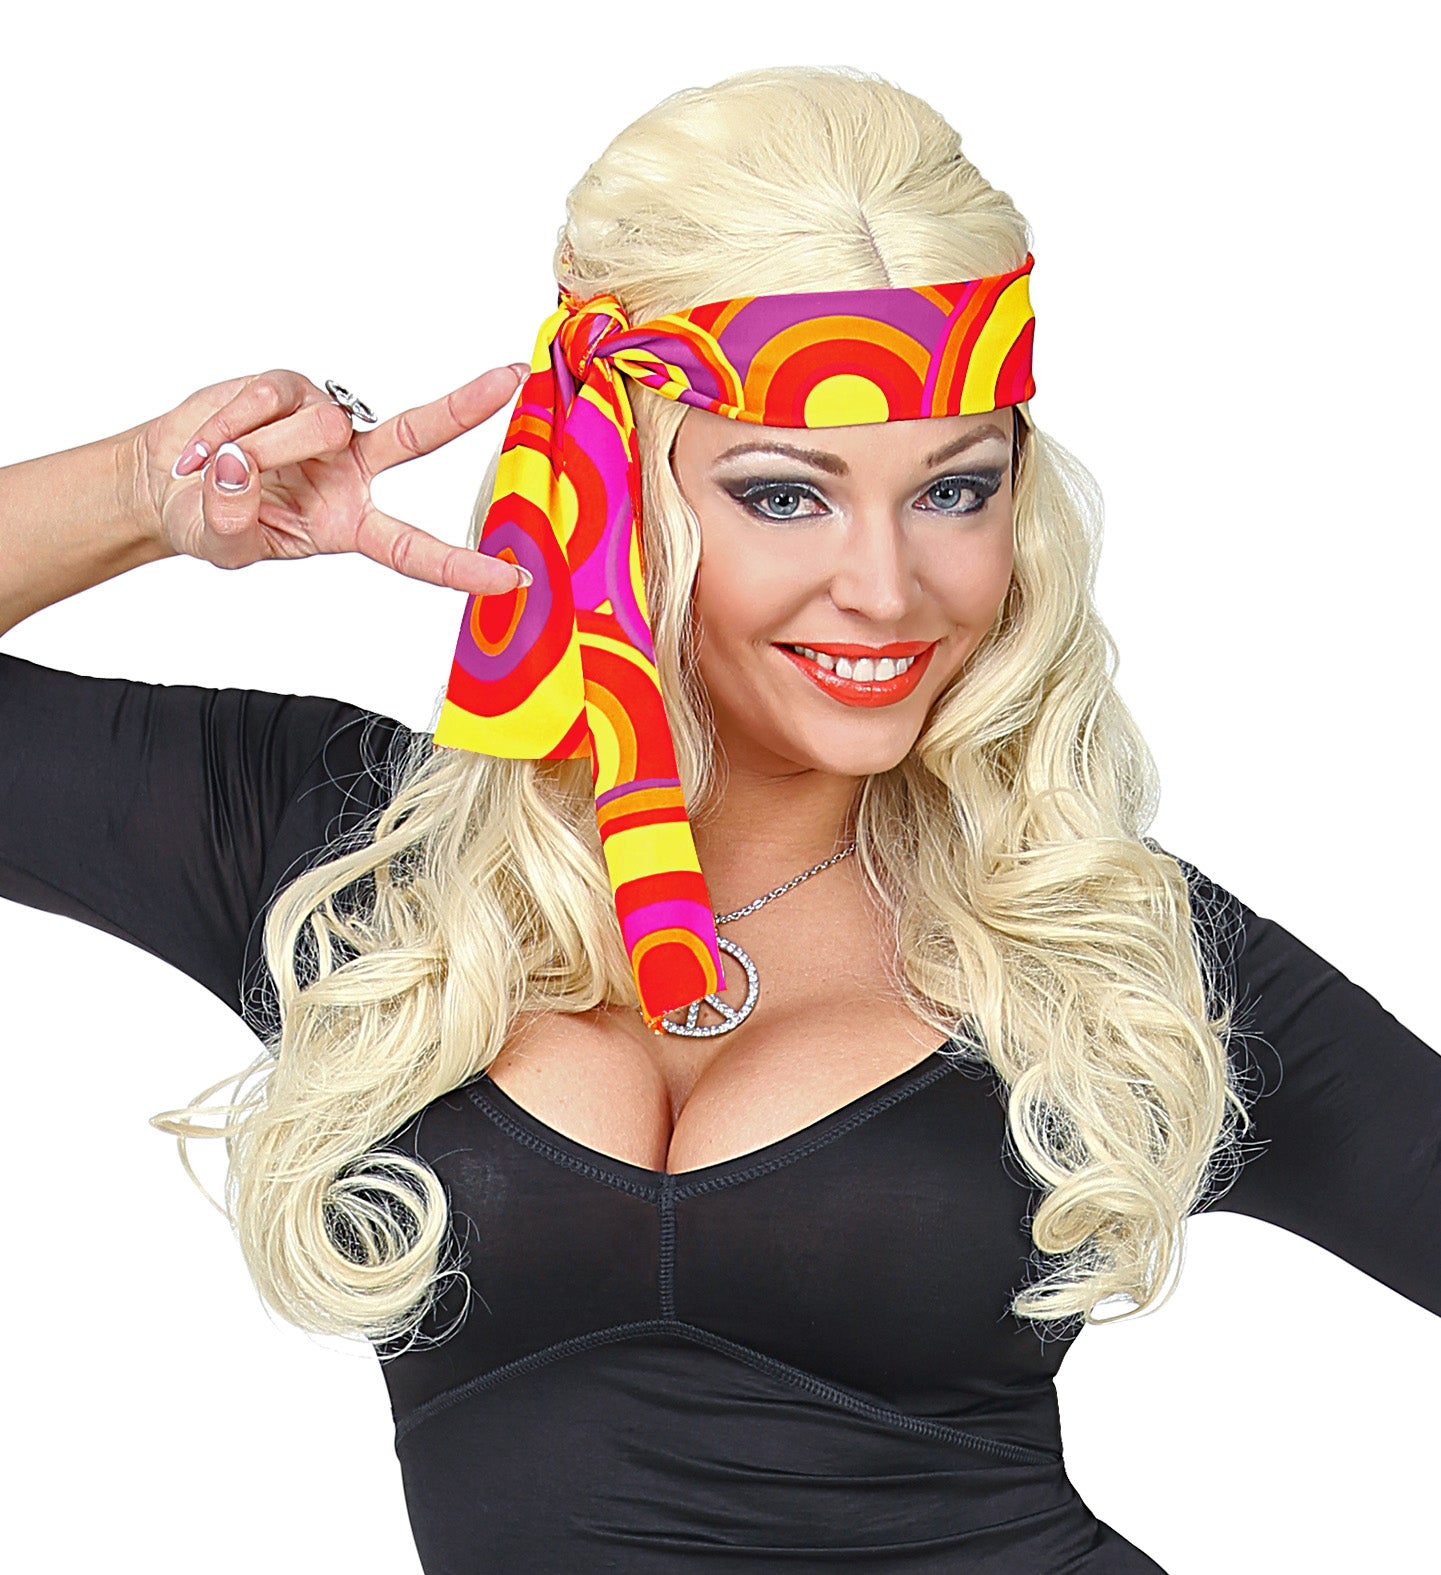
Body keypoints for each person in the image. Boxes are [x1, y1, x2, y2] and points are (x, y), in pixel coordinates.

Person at [2, 63, 1437, 1573]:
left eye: (954, 491)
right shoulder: (356, 857)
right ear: (618, 486)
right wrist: (148, 489)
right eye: (785, 494)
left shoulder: (1095, 940)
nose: (886, 588)